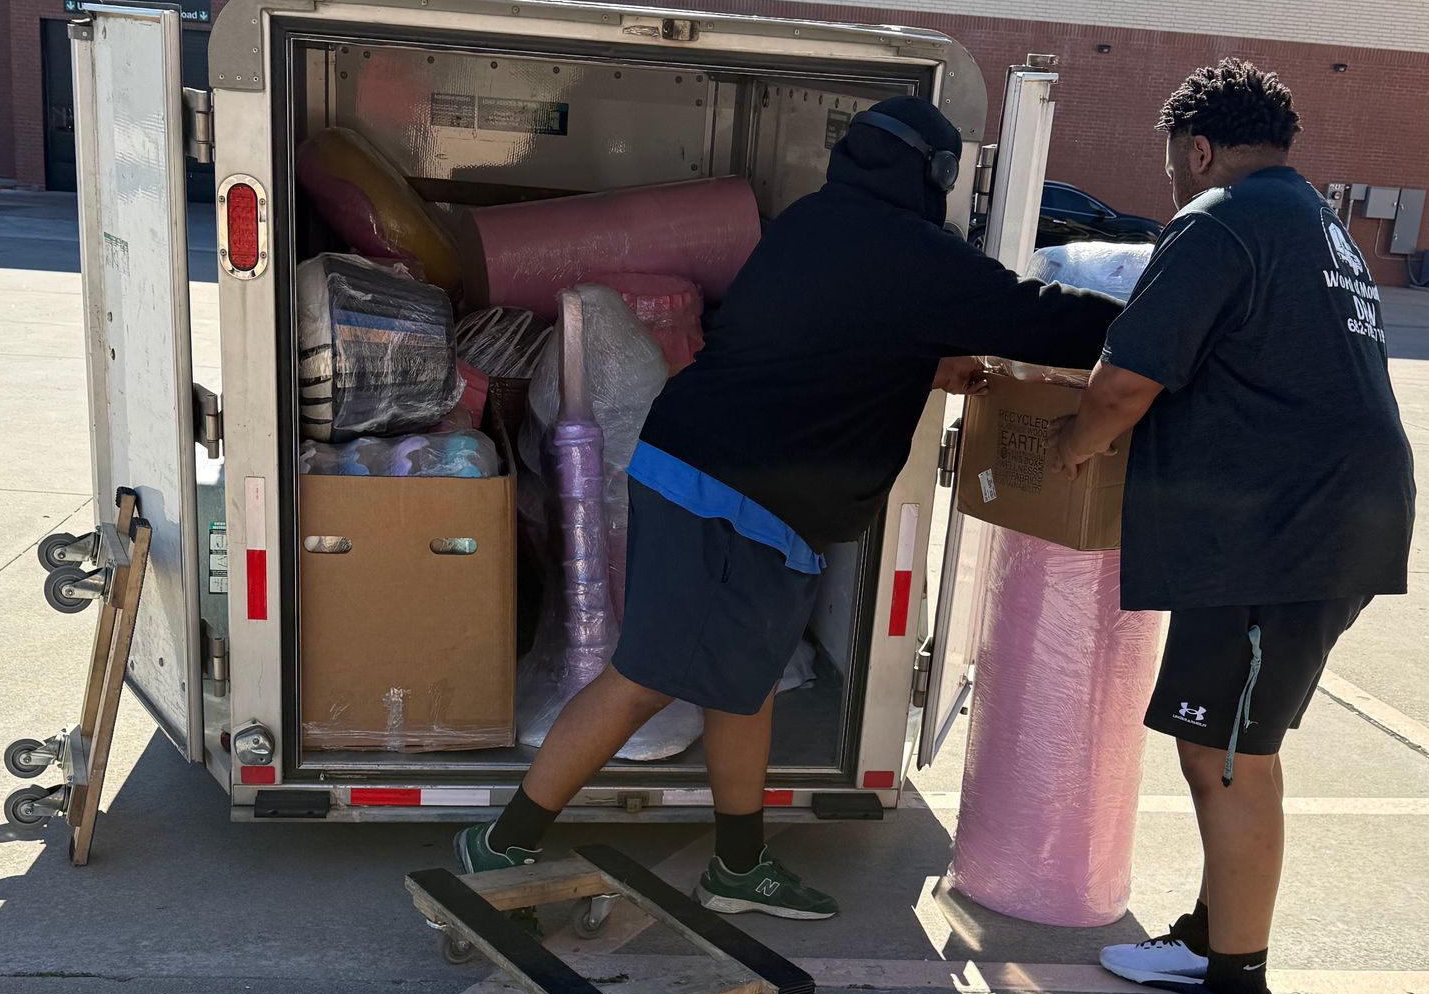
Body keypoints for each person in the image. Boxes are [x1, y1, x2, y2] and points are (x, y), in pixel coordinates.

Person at [457, 97, 1121, 916]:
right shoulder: (917, 254)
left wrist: (925, 365)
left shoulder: (813, 223)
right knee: (645, 680)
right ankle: (500, 843)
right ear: (934, 178)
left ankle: (737, 864)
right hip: (734, 499)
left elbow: (824, 335)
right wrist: (1164, 330)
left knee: (744, 686)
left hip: (709, 472)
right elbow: (1049, 324)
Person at [1051, 57, 1415, 994]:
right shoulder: (1313, 219)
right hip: (1304, 522)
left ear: (1197, 147)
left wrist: (1067, 452)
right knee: (1213, 740)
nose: (1175, 181)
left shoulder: (1217, 218)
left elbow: (1125, 381)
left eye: (1177, 163)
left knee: (1228, 757)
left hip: (1285, 535)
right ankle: (1211, 935)